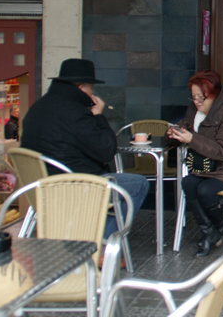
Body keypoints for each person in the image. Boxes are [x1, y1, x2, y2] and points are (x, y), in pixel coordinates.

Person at [21, 58, 149, 240]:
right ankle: (100, 245)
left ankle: (84, 235)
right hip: (72, 186)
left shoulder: (38, 108)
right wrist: (98, 116)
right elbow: (106, 151)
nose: (92, 93)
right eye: (90, 88)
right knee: (138, 184)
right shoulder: (75, 112)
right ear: (81, 88)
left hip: (41, 188)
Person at [167, 70, 223, 257]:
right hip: (206, 167)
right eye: (194, 97)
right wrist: (173, 135)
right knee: (188, 183)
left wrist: (191, 139)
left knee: (205, 190)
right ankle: (212, 231)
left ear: (214, 94)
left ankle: (216, 230)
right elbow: (184, 129)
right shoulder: (194, 110)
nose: (197, 102)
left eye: (201, 97)